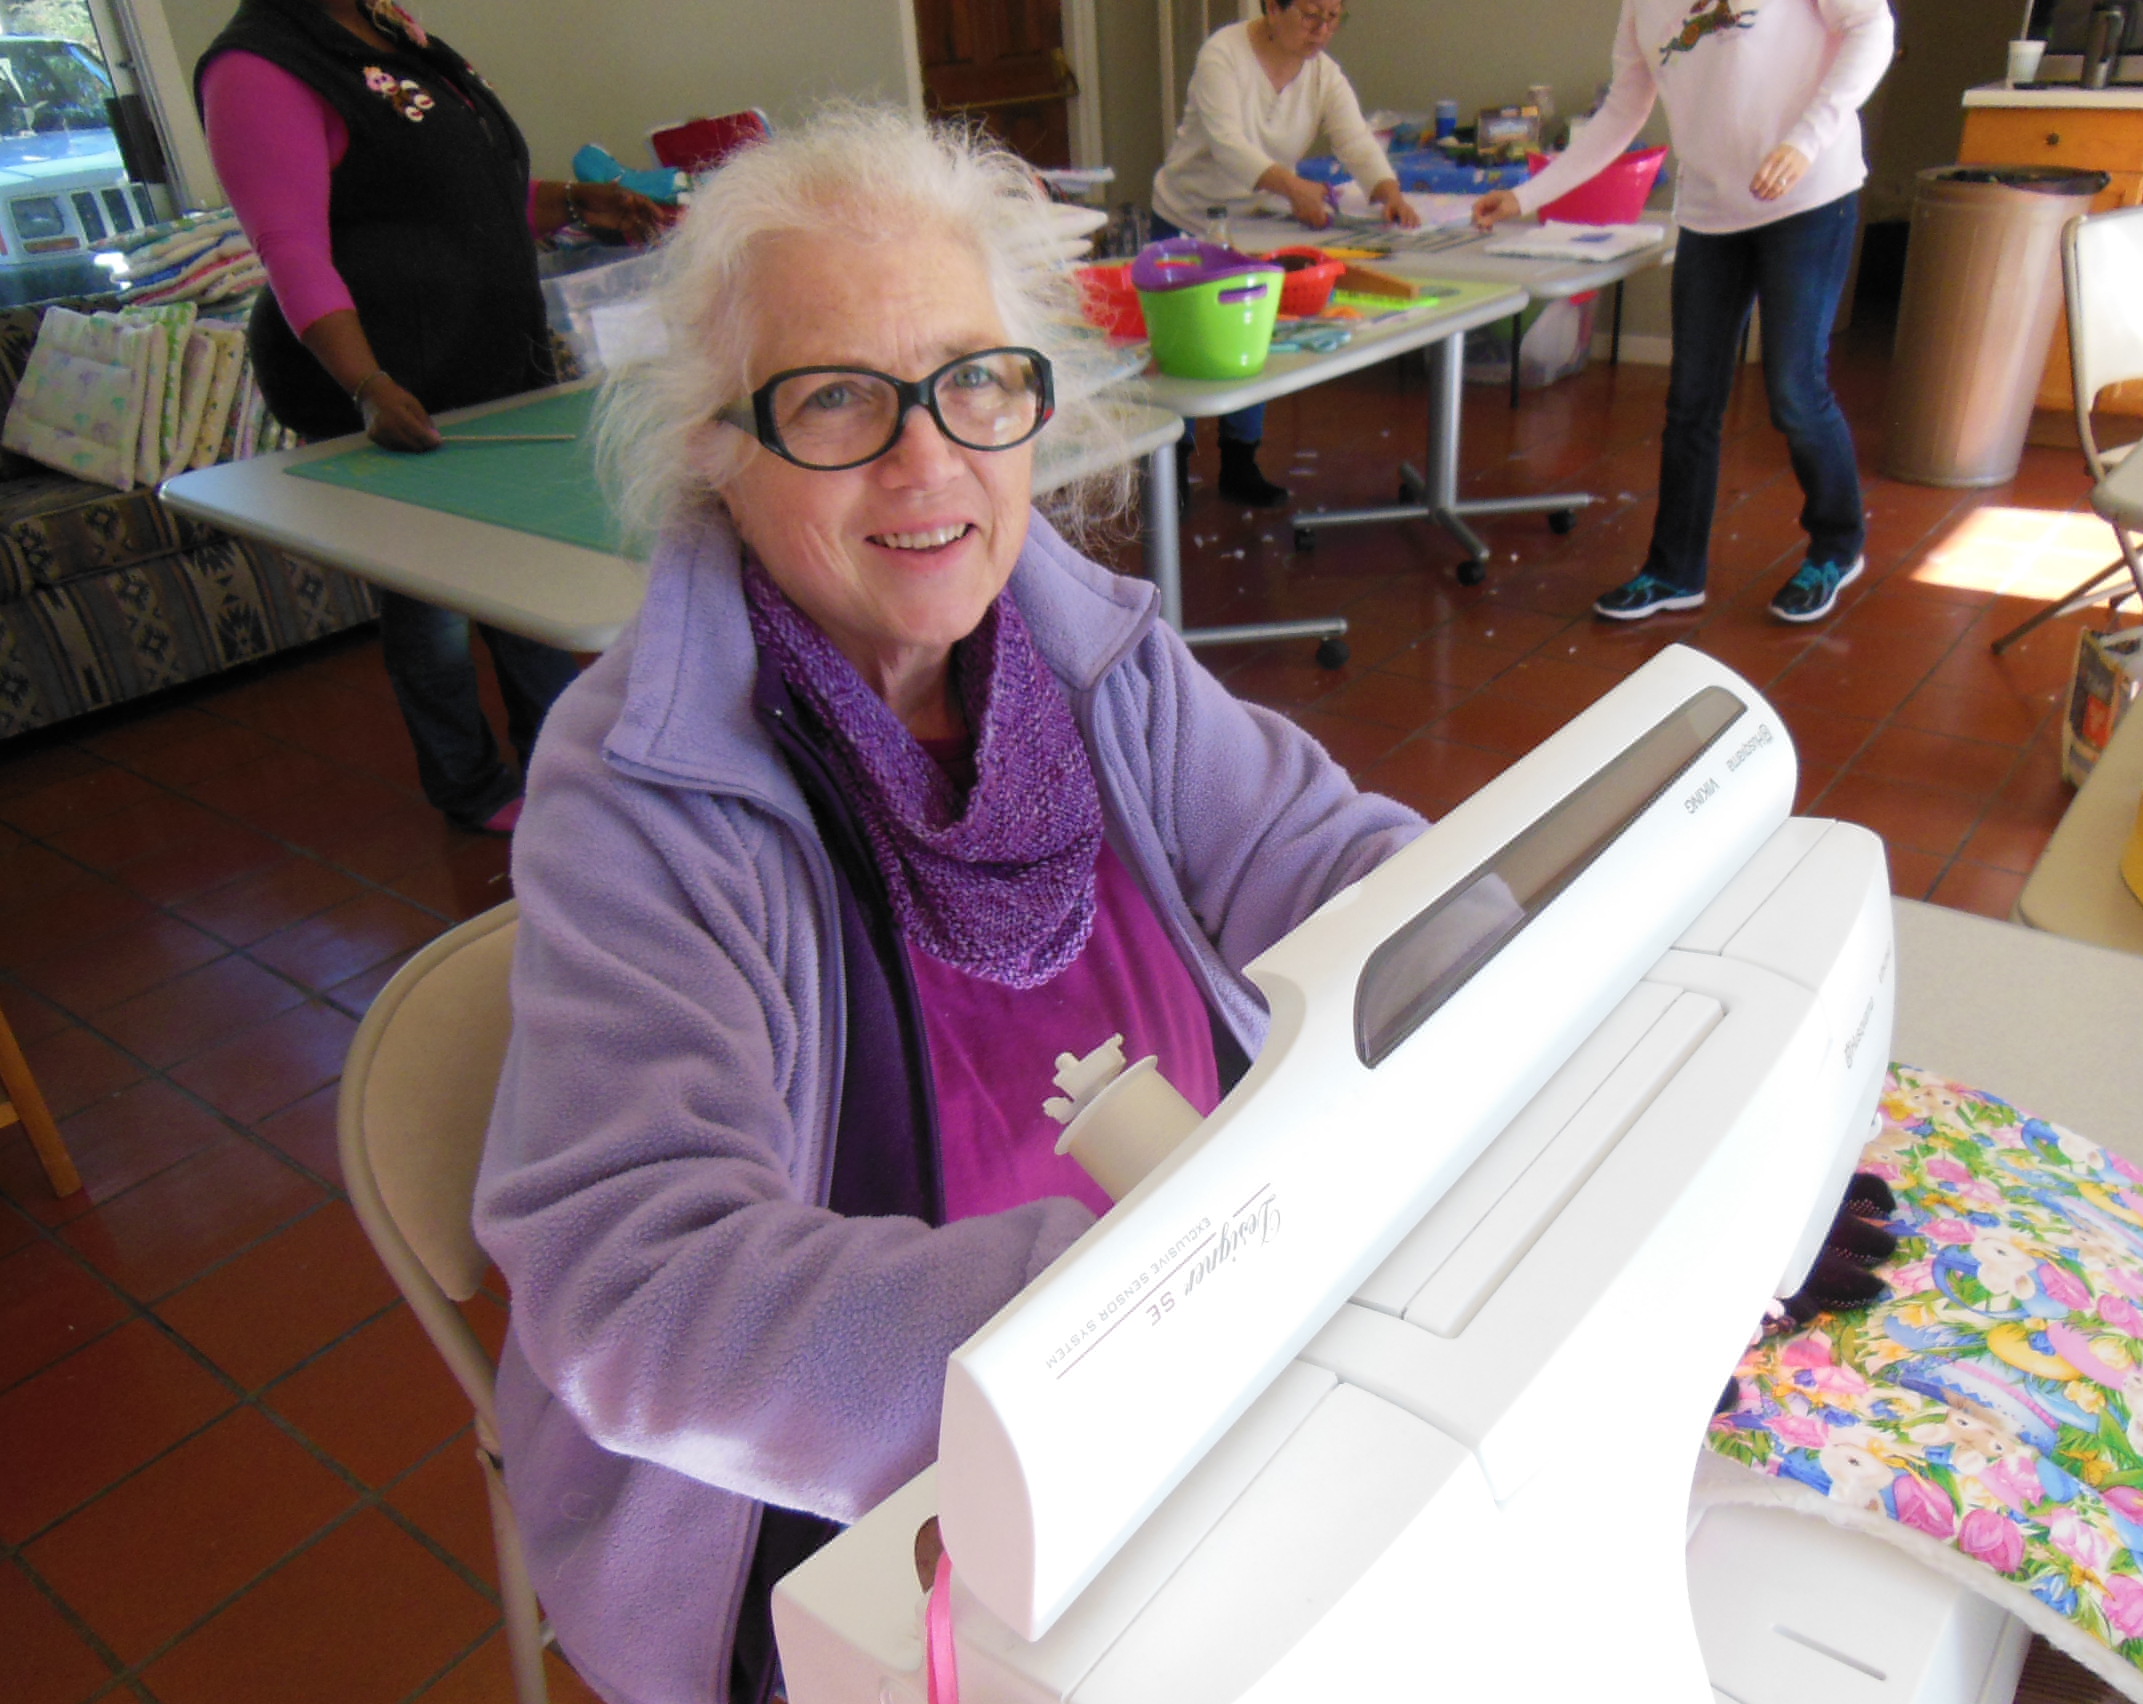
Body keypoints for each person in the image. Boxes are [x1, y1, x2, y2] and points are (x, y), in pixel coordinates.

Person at [472, 106, 1426, 1704]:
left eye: (976, 380)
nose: (932, 463)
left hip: (1220, 1359)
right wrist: (1148, 1306)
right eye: (839, 397)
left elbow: (1336, 862)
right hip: (860, 1502)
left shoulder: (1084, 643)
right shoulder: (636, 788)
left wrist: (1522, 997)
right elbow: (635, 1287)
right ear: (720, 439)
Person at [195, 0, 670, 834]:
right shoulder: (259, 67)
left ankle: (563, 762)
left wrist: (572, 203)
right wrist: (366, 383)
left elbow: (459, 189)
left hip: (482, 361)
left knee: (526, 573)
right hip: (387, 378)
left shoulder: (394, 34)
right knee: (431, 599)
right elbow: (289, 244)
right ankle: (473, 785)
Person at [1475, 0, 1894, 626]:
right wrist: (1527, 195)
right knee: (1692, 401)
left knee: (1795, 391)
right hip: (1710, 213)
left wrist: (1805, 142)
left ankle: (1837, 544)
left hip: (1810, 198)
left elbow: (1873, 29)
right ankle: (1675, 570)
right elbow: (1623, 111)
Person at [1152, 0, 1420, 508]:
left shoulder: (1323, 74)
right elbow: (1229, 145)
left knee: (1254, 334)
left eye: (1335, 18)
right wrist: (1293, 187)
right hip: (1188, 216)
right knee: (1181, 347)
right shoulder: (1223, 55)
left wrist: (1388, 191)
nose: (1323, 31)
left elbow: (1355, 140)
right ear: (1272, 8)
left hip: (1254, 225)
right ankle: (1173, 466)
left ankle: (1240, 461)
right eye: (1311, 16)